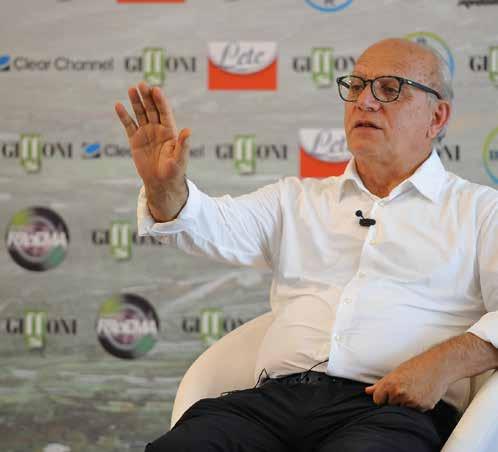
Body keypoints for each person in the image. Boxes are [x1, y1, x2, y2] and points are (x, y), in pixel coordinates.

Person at [115, 38, 498, 452]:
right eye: (356, 86)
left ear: (437, 117)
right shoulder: (296, 199)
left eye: (389, 89)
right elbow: (208, 224)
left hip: (391, 412)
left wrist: (444, 363)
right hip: (272, 404)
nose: (365, 101)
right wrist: (165, 188)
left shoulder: (480, 211)